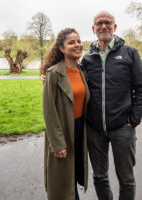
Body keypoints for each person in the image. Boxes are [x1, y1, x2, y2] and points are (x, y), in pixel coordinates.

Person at [80, 11, 142, 200]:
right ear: (93, 29)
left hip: (122, 128)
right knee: (99, 177)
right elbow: (70, 77)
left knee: (126, 179)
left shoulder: (129, 53)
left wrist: (133, 120)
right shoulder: (87, 58)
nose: (104, 26)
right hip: (94, 130)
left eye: (108, 22)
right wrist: (49, 75)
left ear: (115, 27)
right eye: (99, 23)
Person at [41, 28, 90, 200]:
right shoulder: (53, 74)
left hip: (79, 131)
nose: (77, 45)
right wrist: (57, 144)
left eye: (78, 41)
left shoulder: (82, 71)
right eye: (71, 42)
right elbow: (49, 111)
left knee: (74, 174)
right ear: (61, 48)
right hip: (62, 132)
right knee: (62, 184)